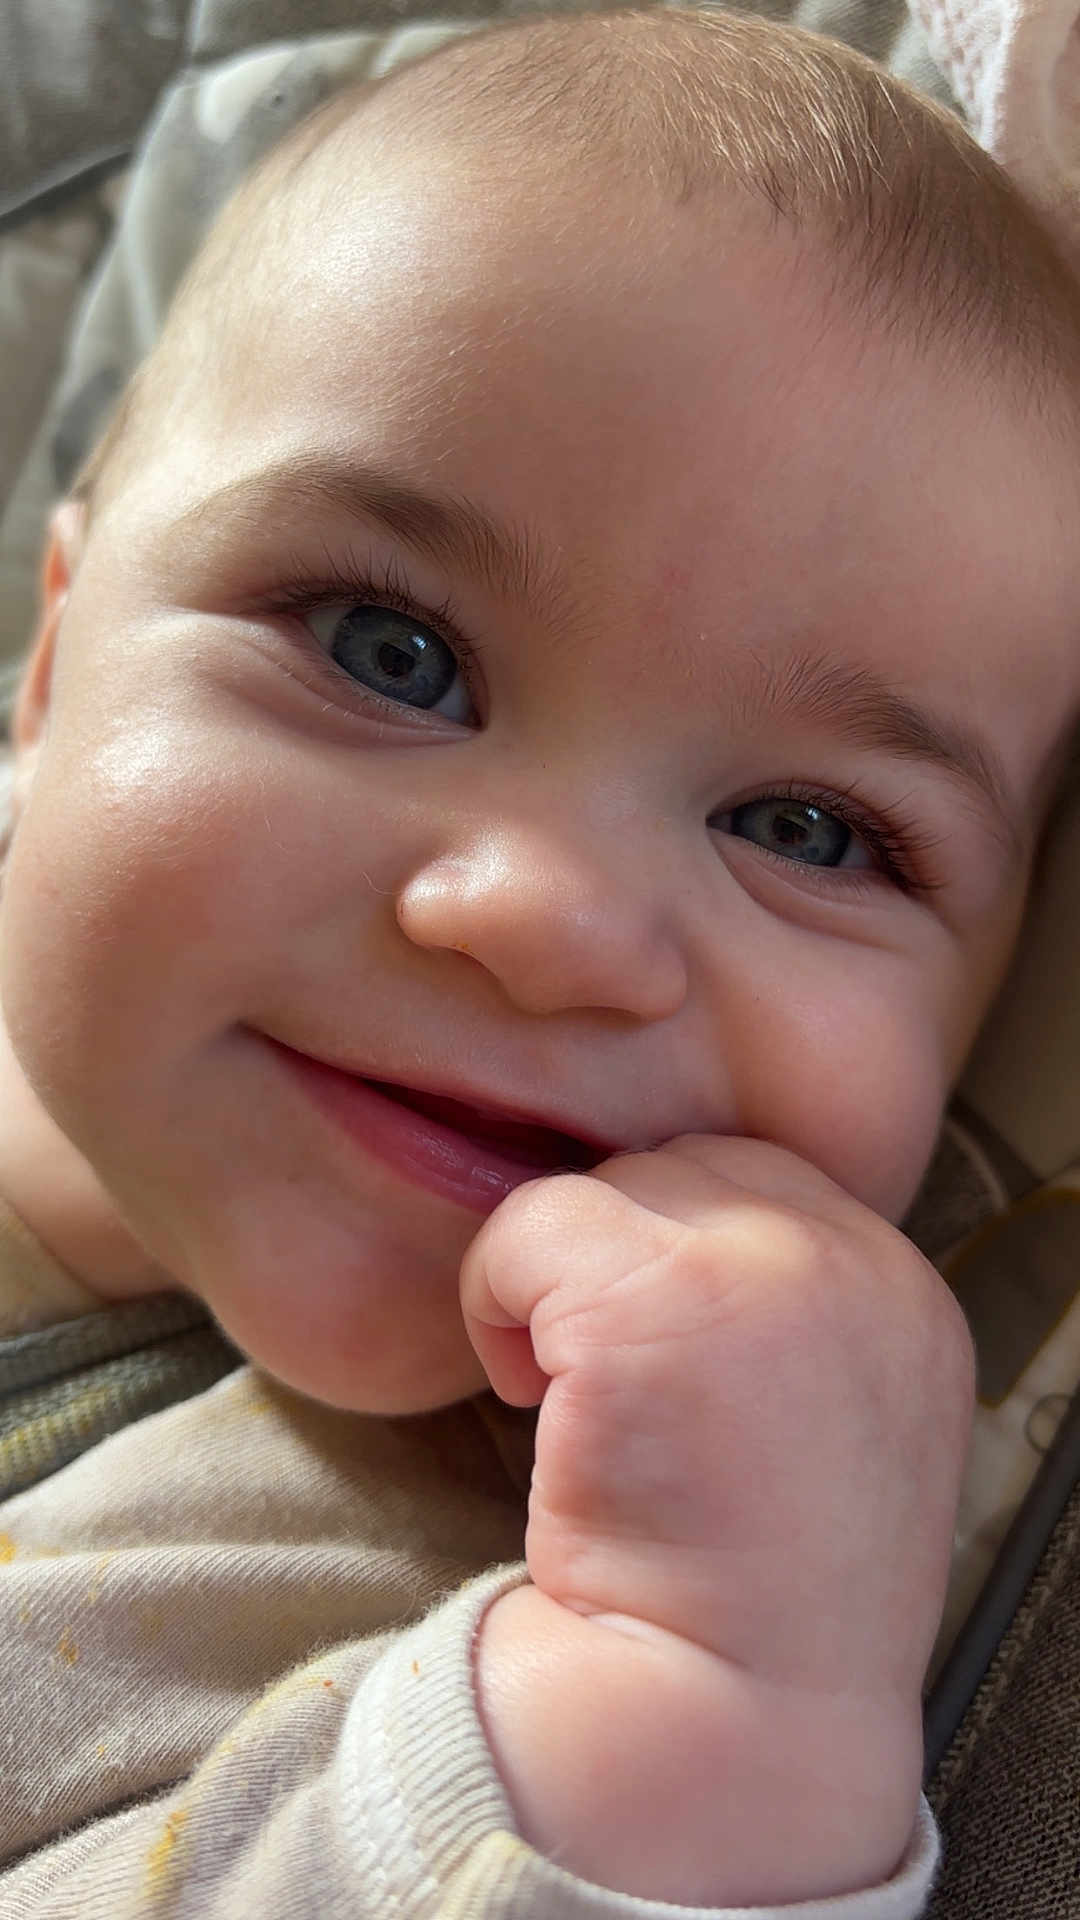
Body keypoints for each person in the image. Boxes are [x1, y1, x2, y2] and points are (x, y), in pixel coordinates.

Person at [1, 7, 1079, 1913]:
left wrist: (701, 1726)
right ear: (54, 664)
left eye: (807, 831)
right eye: (389, 650)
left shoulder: (521, 1611)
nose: (552, 922)